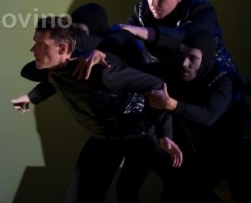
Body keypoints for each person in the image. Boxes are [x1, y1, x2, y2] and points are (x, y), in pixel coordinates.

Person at [11, 17, 181, 203]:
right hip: (103, 137)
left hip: (139, 133)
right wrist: (29, 98)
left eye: (40, 44)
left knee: (166, 185)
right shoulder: (54, 70)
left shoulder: (102, 73)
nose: (32, 49)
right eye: (34, 43)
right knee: (80, 198)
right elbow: (52, 82)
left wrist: (165, 134)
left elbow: (155, 83)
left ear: (61, 49)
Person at [144, 30, 251, 203]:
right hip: (205, 151)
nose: (184, 63)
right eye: (182, 55)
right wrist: (101, 56)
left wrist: (170, 104)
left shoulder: (225, 79)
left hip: (235, 151)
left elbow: (208, 116)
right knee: (177, 190)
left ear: (206, 60)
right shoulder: (179, 67)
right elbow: (139, 68)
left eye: (193, 58)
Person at [113, 0, 239, 76]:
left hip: (213, 80)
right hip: (170, 78)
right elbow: (124, 33)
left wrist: (141, 31)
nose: (153, 3)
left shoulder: (202, 11)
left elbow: (182, 38)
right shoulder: (144, 10)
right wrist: (104, 51)